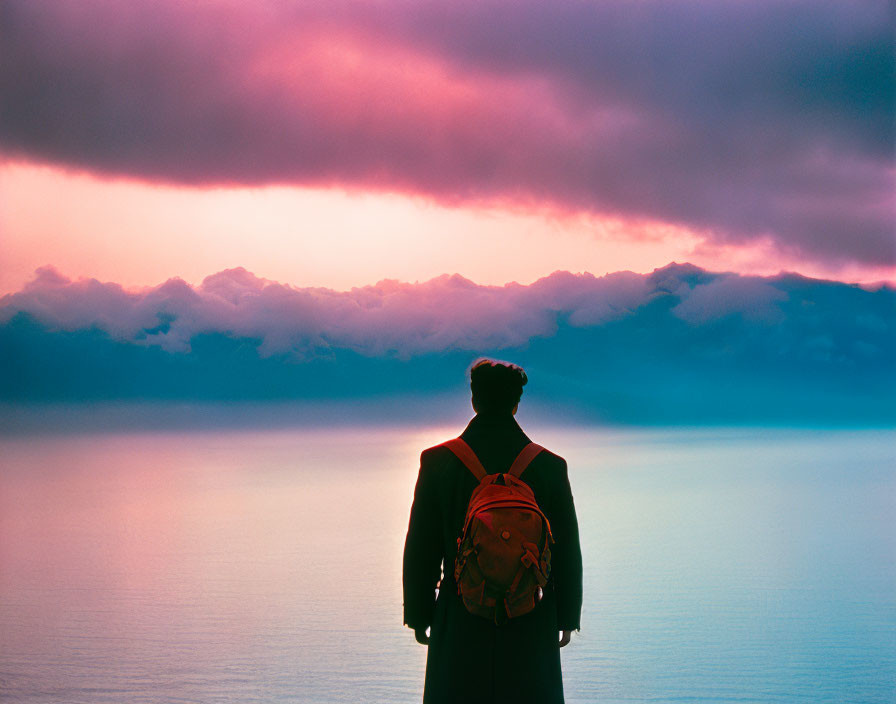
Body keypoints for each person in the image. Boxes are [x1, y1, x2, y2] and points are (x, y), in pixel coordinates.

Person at [403, 358, 583, 704]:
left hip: (460, 617)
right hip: (530, 615)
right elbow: (566, 550)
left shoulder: (437, 462)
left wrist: (420, 614)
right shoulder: (549, 466)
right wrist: (566, 616)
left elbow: (421, 547)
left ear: (474, 400)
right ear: (517, 404)